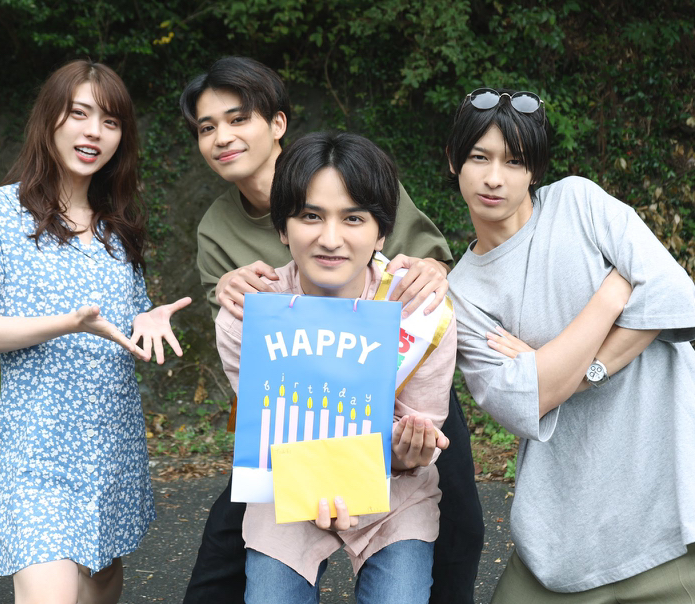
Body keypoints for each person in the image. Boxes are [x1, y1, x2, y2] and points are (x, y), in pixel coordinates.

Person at [445, 88, 695, 603]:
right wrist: (612, 295)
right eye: (478, 157)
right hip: (566, 538)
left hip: (694, 507)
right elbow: (523, 400)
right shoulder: (462, 292)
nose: (494, 178)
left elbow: (672, 290)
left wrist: (563, 368)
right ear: (453, 161)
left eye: (514, 161)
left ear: (534, 170)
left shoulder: (578, 202)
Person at [179, 56, 483, 604]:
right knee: (233, 560)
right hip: (291, 452)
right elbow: (260, 398)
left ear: (277, 122)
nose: (330, 237)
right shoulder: (223, 244)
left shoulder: (356, 174)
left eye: (238, 118)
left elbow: (428, 262)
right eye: (207, 127)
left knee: (454, 525)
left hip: (398, 399)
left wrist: (433, 273)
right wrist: (235, 293)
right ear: (284, 225)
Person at [0, 60, 191, 604]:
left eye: (110, 121)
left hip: (113, 453)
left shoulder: (118, 228)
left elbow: (125, 321)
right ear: (48, 118)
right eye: (79, 114)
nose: (94, 132)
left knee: (100, 587)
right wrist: (68, 323)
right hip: (37, 456)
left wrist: (147, 317)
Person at [215, 130, 456, 603]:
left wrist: (408, 452)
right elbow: (267, 432)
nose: (330, 238)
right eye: (310, 216)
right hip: (286, 493)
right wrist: (319, 480)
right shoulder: (248, 316)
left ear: (381, 232)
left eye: (353, 218)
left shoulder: (420, 311)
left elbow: (422, 430)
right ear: (282, 228)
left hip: (394, 498)